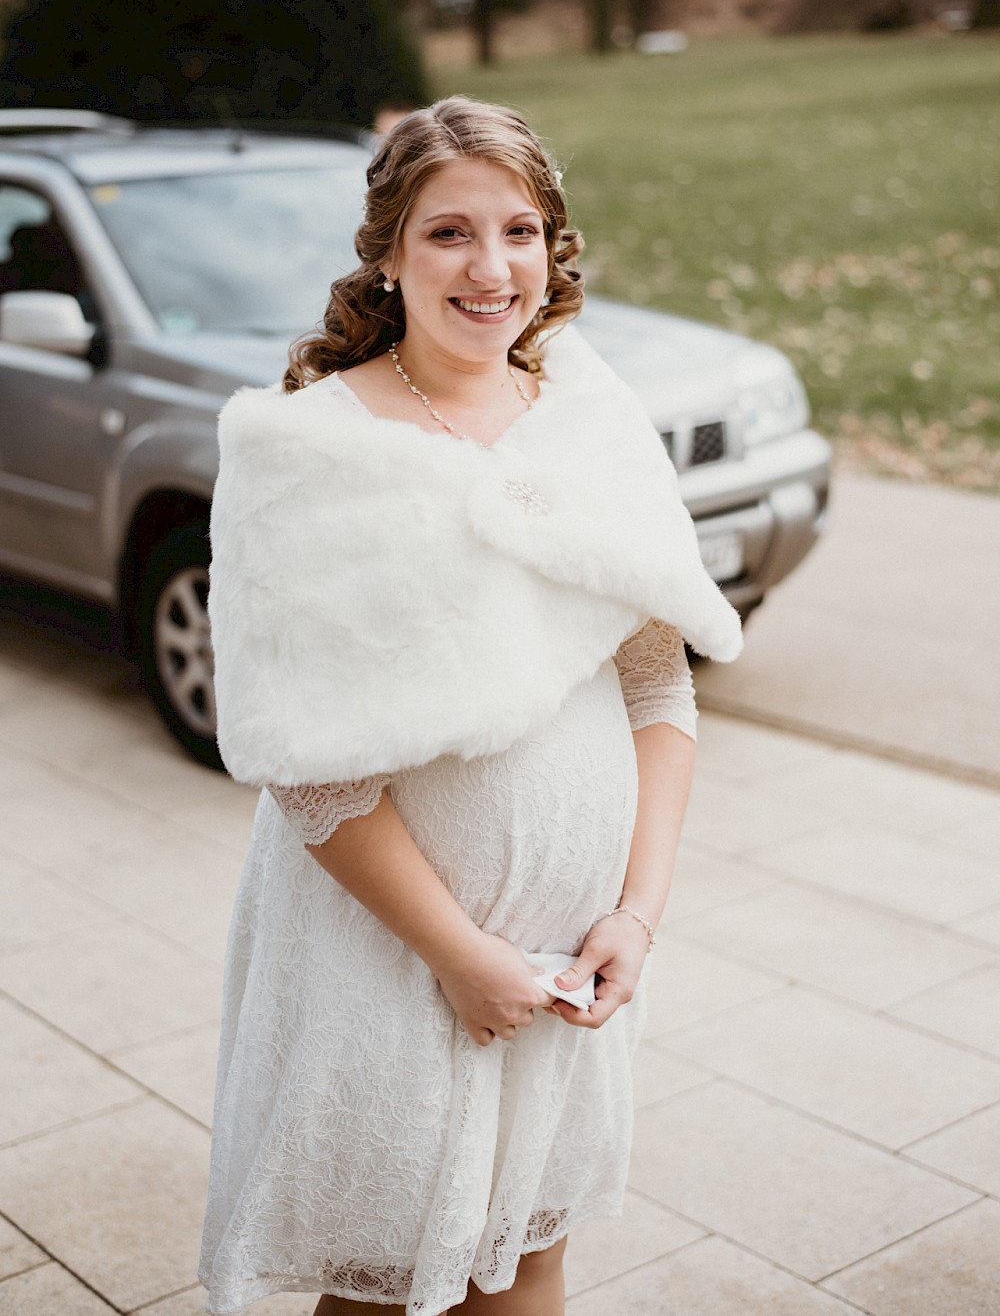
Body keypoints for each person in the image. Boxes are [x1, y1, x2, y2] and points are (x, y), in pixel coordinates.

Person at [199, 96, 742, 1316]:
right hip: (390, 956)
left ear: (553, 246)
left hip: (571, 949)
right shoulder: (303, 450)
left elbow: (658, 679)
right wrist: (460, 957)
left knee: (528, 1256)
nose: (490, 268)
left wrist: (636, 916)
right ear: (387, 253)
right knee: (386, 1279)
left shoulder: (591, 416)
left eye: (519, 229)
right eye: (448, 233)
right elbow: (311, 769)